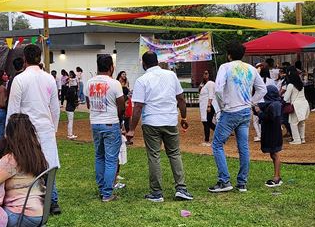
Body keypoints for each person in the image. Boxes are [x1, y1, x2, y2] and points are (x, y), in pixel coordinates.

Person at [126, 51, 193, 202]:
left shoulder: (142, 80)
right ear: (157, 61)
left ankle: (156, 193)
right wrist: (183, 117)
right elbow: (181, 99)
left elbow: (138, 107)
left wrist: (131, 129)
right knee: (174, 154)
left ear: (144, 64)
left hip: (151, 122)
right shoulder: (171, 75)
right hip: (170, 120)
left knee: (154, 156)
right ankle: (181, 188)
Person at [5, 44, 61, 215]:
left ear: (24, 59)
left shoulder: (20, 79)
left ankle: (35, 199)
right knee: (48, 164)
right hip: (45, 127)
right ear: (40, 58)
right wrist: (53, 128)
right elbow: (55, 108)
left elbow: (13, 110)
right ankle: (52, 201)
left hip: (26, 129)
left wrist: (9, 133)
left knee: (28, 164)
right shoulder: (49, 79)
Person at [208, 41, 263, 193]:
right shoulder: (251, 68)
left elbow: (218, 89)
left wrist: (222, 106)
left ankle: (224, 181)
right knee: (243, 147)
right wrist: (251, 102)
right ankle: (242, 183)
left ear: (229, 55)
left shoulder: (225, 67)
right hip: (245, 112)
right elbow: (262, 89)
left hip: (230, 111)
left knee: (217, 144)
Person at [86, 53, 125, 202]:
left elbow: (89, 104)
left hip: (95, 123)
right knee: (111, 159)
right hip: (111, 123)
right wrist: (118, 118)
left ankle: (102, 188)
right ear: (111, 67)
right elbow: (121, 106)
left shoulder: (89, 83)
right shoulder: (114, 83)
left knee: (99, 156)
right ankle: (107, 193)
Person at [257, 84, 285, 188]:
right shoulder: (276, 103)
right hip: (275, 132)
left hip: (272, 133)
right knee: (273, 154)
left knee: (275, 154)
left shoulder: (273, 106)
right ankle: (277, 176)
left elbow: (267, 117)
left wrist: (259, 112)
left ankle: (277, 178)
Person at [283, 66, 310, 144]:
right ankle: (302, 138)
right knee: (301, 122)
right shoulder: (301, 84)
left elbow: (286, 98)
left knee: (293, 123)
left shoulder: (290, 85)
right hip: (304, 104)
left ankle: (297, 139)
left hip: (296, 105)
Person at [198, 69, 217, 146]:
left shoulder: (210, 83)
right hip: (203, 106)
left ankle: (207, 140)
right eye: (204, 73)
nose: (205, 75)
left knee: (208, 122)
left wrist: (209, 105)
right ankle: (209, 139)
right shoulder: (203, 84)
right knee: (206, 122)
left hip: (209, 105)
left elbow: (211, 95)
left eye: (206, 73)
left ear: (210, 74)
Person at [63, 71, 80, 139]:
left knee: (70, 121)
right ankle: (70, 134)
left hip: (68, 108)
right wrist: (76, 103)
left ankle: (70, 134)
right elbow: (73, 100)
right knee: (70, 122)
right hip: (70, 108)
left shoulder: (69, 90)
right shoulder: (73, 91)